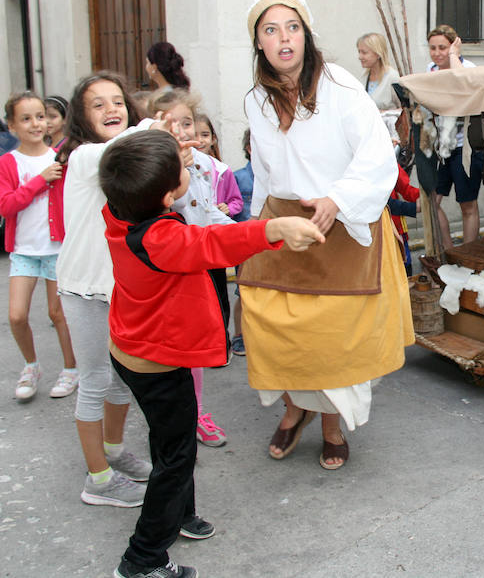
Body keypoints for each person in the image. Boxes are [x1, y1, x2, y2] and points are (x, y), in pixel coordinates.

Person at [99, 129, 324, 578]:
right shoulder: (161, 238)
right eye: (182, 169)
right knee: (177, 456)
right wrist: (275, 228)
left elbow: (139, 178)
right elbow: (213, 244)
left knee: (168, 443)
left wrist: (166, 161)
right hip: (158, 364)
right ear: (167, 194)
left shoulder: (118, 208)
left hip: (130, 349)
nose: (191, 167)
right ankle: (143, 559)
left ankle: (180, 515)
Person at [241, 0, 412, 468]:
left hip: (340, 219)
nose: (283, 38)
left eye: (291, 27)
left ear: (306, 34)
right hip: (284, 220)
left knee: (337, 335)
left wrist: (338, 200)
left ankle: (332, 421)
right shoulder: (257, 98)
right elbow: (264, 167)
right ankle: (296, 409)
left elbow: (377, 150)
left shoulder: (337, 82)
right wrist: (259, 224)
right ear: (258, 43)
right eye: (270, 30)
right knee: (277, 326)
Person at [56, 71, 152, 507]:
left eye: (117, 101)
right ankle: (97, 479)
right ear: (81, 118)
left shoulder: (128, 156)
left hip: (118, 289)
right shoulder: (85, 157)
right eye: (98, 104)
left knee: (120, 381)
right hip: (83, 289)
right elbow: (125, 150)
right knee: (94, 382)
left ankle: (112, 451)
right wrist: (157, 127)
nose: (111, 108)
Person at [147, 89, 233, 446]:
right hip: (157, 272)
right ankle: (169, 421)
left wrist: (252, 235)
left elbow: (205, 213)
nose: (181, 131)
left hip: (191, 267)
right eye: (170, 124)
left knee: (192, 346)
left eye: (186, 123)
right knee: (161, 351)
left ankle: (196, 413)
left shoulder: (199, 164)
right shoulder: (146, 162)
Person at [0, 92, 77, 401]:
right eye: (26, 118)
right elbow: (6, 205)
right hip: (23, 251)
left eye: (40, 116)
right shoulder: (8, 162)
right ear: (12, 126)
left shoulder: (61, 158)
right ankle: (31, 366)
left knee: (58, 314)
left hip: (56, 249)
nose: (35, 124)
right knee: (17, 316)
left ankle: (71, 369)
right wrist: (39, 181)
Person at [427, 24, 483, 246]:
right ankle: (449, 250)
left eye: (443, 47)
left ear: (453, 46)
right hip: (440, 147)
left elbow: (463, 85)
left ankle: (469, 255)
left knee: (467, 204)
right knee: (432, 200)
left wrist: (454, 57)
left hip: (465, 147)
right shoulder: (430, 70)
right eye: (433, 48)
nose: (437, 53)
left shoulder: (466, 66)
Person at [230, 129, 253, 356]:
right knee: (243, 293)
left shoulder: (278, 175)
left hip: (272, 243)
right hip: (246, 245)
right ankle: (239, 335)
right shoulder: (239, 177)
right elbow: (233, 207)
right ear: (249, 149)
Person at [194, 113, 243, 219]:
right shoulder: (181, 169)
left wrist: (228, 209)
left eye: (205, 135)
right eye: (194, 135)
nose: (199, 140)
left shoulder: (222, 170)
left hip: (217, 225)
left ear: (213, 139)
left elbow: (237, 201)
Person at [357, 32, 402, 142]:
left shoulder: (392, 77)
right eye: (359, 52)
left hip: (389, 138)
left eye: (364, 52)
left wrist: (383, 113)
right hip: (369, 135)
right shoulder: (364, 77)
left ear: (377, 54)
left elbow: (404, 109)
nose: (360, 57)